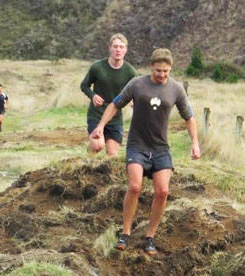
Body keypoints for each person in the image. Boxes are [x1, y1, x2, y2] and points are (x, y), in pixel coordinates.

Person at [91, 48, 201, 255]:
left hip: (160, 148)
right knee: (134, 186)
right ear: (152, 66)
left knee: (163, 191)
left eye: (166, 71)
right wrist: (101, 126)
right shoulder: (137, 84)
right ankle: (125, 232)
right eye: (159, 70)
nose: (162, 75)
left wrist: (195, 142)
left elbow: (189, 117)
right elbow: (115, 105)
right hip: (137, 145)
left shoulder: (176, 89)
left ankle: (150, 237)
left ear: (170, 70)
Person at [81, 33, 137, 156]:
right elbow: (84, 85)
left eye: (121, 47)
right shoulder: (97, 67)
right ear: (109, 48)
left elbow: (136, 91)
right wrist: (93, 95)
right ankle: (89, 157)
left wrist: (134, 100)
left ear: (126, 50)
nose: (118, 50)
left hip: (115, 118)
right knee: (97, 146)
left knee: (112, 154)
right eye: (115, 46)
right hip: (96, 114)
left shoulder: (130, 72)